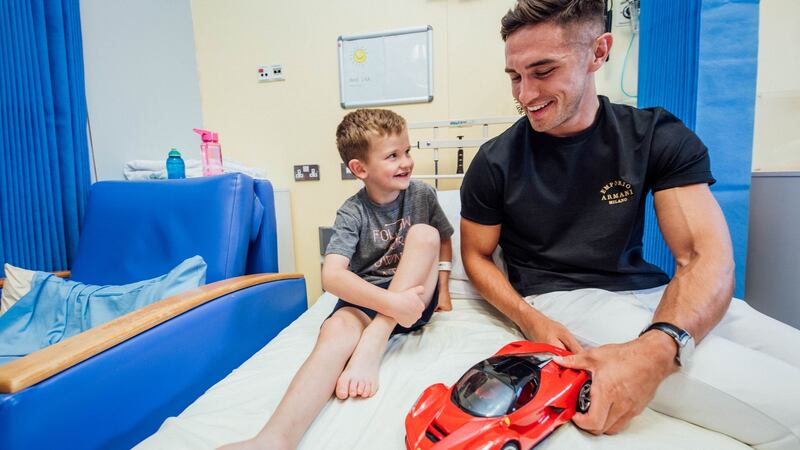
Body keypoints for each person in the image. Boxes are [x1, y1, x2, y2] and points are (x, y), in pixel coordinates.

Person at [460, 1, 800, 448]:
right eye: (514, 76)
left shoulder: (655, 135)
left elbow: (703, 256)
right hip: (562, 298)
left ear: (599, 52)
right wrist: (530, 318)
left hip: (652, 289)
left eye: (543, 71)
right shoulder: (494, 161)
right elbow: (476, 255)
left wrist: (661, 345)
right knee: (786, 402)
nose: (524, 95)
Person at [221, 108, 454, 450]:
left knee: (425, 233)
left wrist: (444, 291)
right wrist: (388, 302)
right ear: (360, 169)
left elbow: (442, 240)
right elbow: (331, 276)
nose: (405, 162)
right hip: (375, 300)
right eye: (392, 156)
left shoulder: (422, 195)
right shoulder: (352, 212)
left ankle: (376, 340)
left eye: (407, 151)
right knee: (334, 333)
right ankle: (275, 438)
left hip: (414, 297)